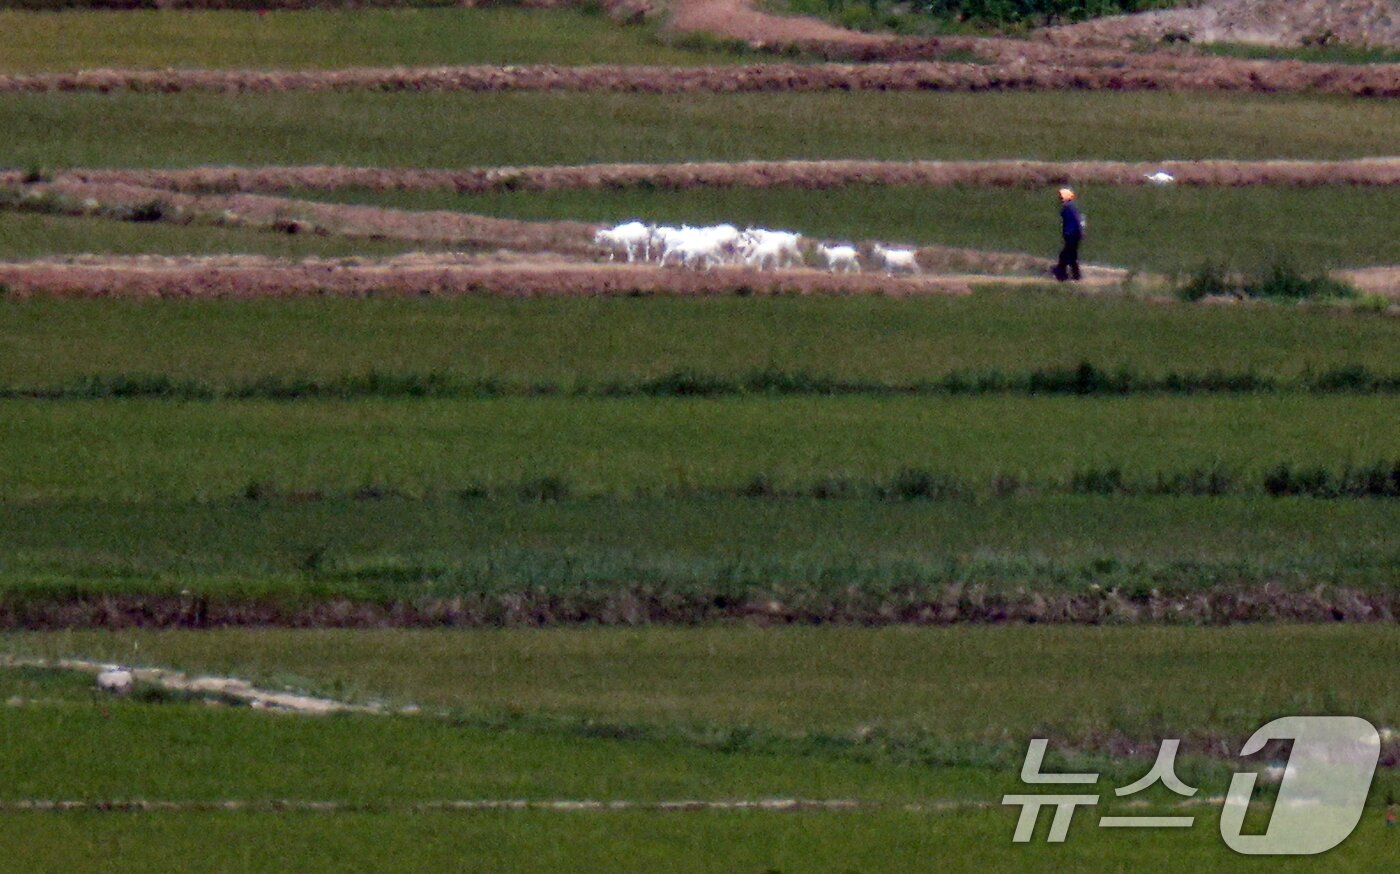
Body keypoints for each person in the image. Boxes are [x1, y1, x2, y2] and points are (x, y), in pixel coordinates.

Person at [1053, 187, 1083, 282]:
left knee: (1065, 255)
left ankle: (1062, 275)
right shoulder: (1072, 207)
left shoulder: (1068, 208)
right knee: (1071, 255)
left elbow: (1071, 223)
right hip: (1075, 234)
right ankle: (1075, 275)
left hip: (1071, 235)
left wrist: (1067, 234)